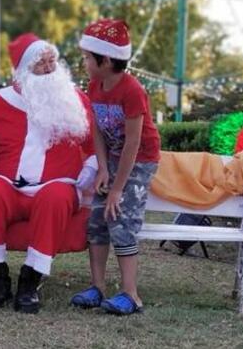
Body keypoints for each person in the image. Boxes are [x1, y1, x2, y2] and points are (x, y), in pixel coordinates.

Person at [0, 33, 98, 314]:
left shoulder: (76, 100)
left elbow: (93, 148)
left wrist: (90, 171)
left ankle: (31, 279)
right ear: (24, 69)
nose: (50, 68)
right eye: (41, 63)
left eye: (52, 60)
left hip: (58, 185)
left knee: (54, 197)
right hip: (9, 185)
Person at [70, 18, 161, 316]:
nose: (83, 62)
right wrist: (102, 168)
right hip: (111, 159)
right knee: (97, 220)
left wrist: (118, 189)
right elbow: (97, 127)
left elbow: (133, 144)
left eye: (87, 57)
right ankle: (97, 288)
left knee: (119, 219)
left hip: (139, 160)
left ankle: (131, 295)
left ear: (106, 60)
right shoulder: (96, 84)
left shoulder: (132, 91)